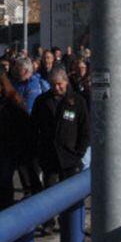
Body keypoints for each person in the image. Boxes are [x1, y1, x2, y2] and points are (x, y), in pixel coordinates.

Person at [30, 69, 89, 232]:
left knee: (70, 193)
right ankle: (48, 222)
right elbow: (34, 127)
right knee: (49, 191)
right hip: (49, 155)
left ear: (66, 82)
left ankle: (69, 221)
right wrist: (37, 150)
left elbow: (85, 129)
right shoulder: (42, 101)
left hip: (70, 156)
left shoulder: (77, 101)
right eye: (53, 85)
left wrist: (79, 151)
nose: (57, 88)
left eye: (60, 84)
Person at [0, 72, 38, 211]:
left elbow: (24, 127)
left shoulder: (13, 104)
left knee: (4, 182)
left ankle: (6, 211)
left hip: (8, 150)